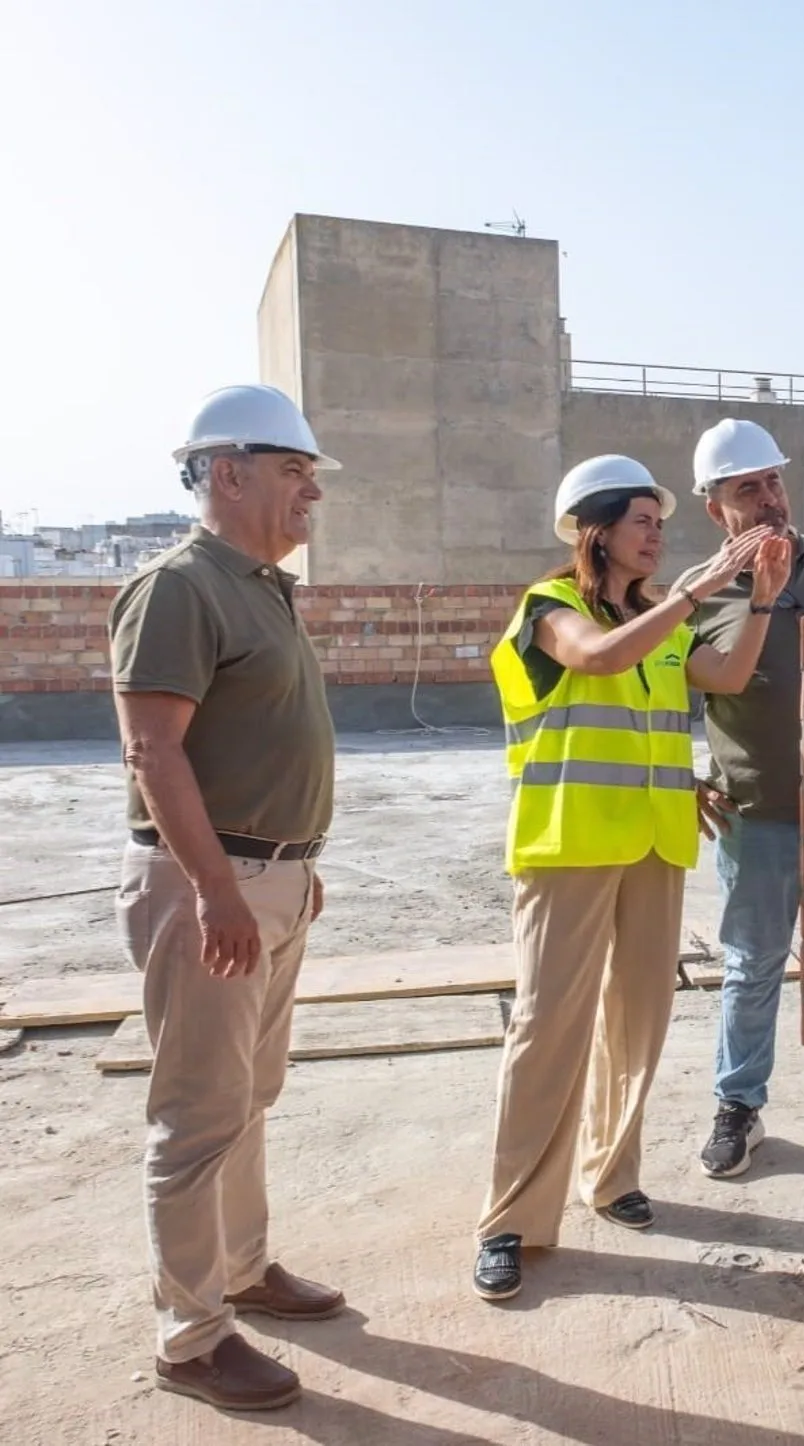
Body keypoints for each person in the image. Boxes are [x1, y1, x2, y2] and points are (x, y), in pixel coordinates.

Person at [472, 454, 792, 1302]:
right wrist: (703, 585)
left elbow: (720, 675)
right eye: (643, 521)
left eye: (660, 522)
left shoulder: (655, 615)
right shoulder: (553, 609)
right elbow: (603, 663)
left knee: (637, 1022)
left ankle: (609, 1178)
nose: (658, 535)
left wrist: (757, 595)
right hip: (569, 846)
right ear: (597, 530)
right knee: (549, 1030)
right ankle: (510, 1220)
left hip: (653, 846)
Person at [110, 384, 344, 1411]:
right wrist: (217, 888)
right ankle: (190, 1338)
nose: (311, 495)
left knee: (250, 1097)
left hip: (271, 876)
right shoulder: (179, 587)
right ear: (227, 472)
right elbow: (151, 748)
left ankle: (243, 1273)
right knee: (199, 1114)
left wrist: (295, 867)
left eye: (311, 476)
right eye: (295, 472)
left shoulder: (261, 586)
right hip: (211, 883)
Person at [678, 419, 804, 1180]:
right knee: (753, 963)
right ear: (715, 509)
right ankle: (738, 1108)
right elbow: (663, 696)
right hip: (757, 811)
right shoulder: (699, 596)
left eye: (773, 482)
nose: (768, 500)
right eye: (746, 489)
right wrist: (680, 779)